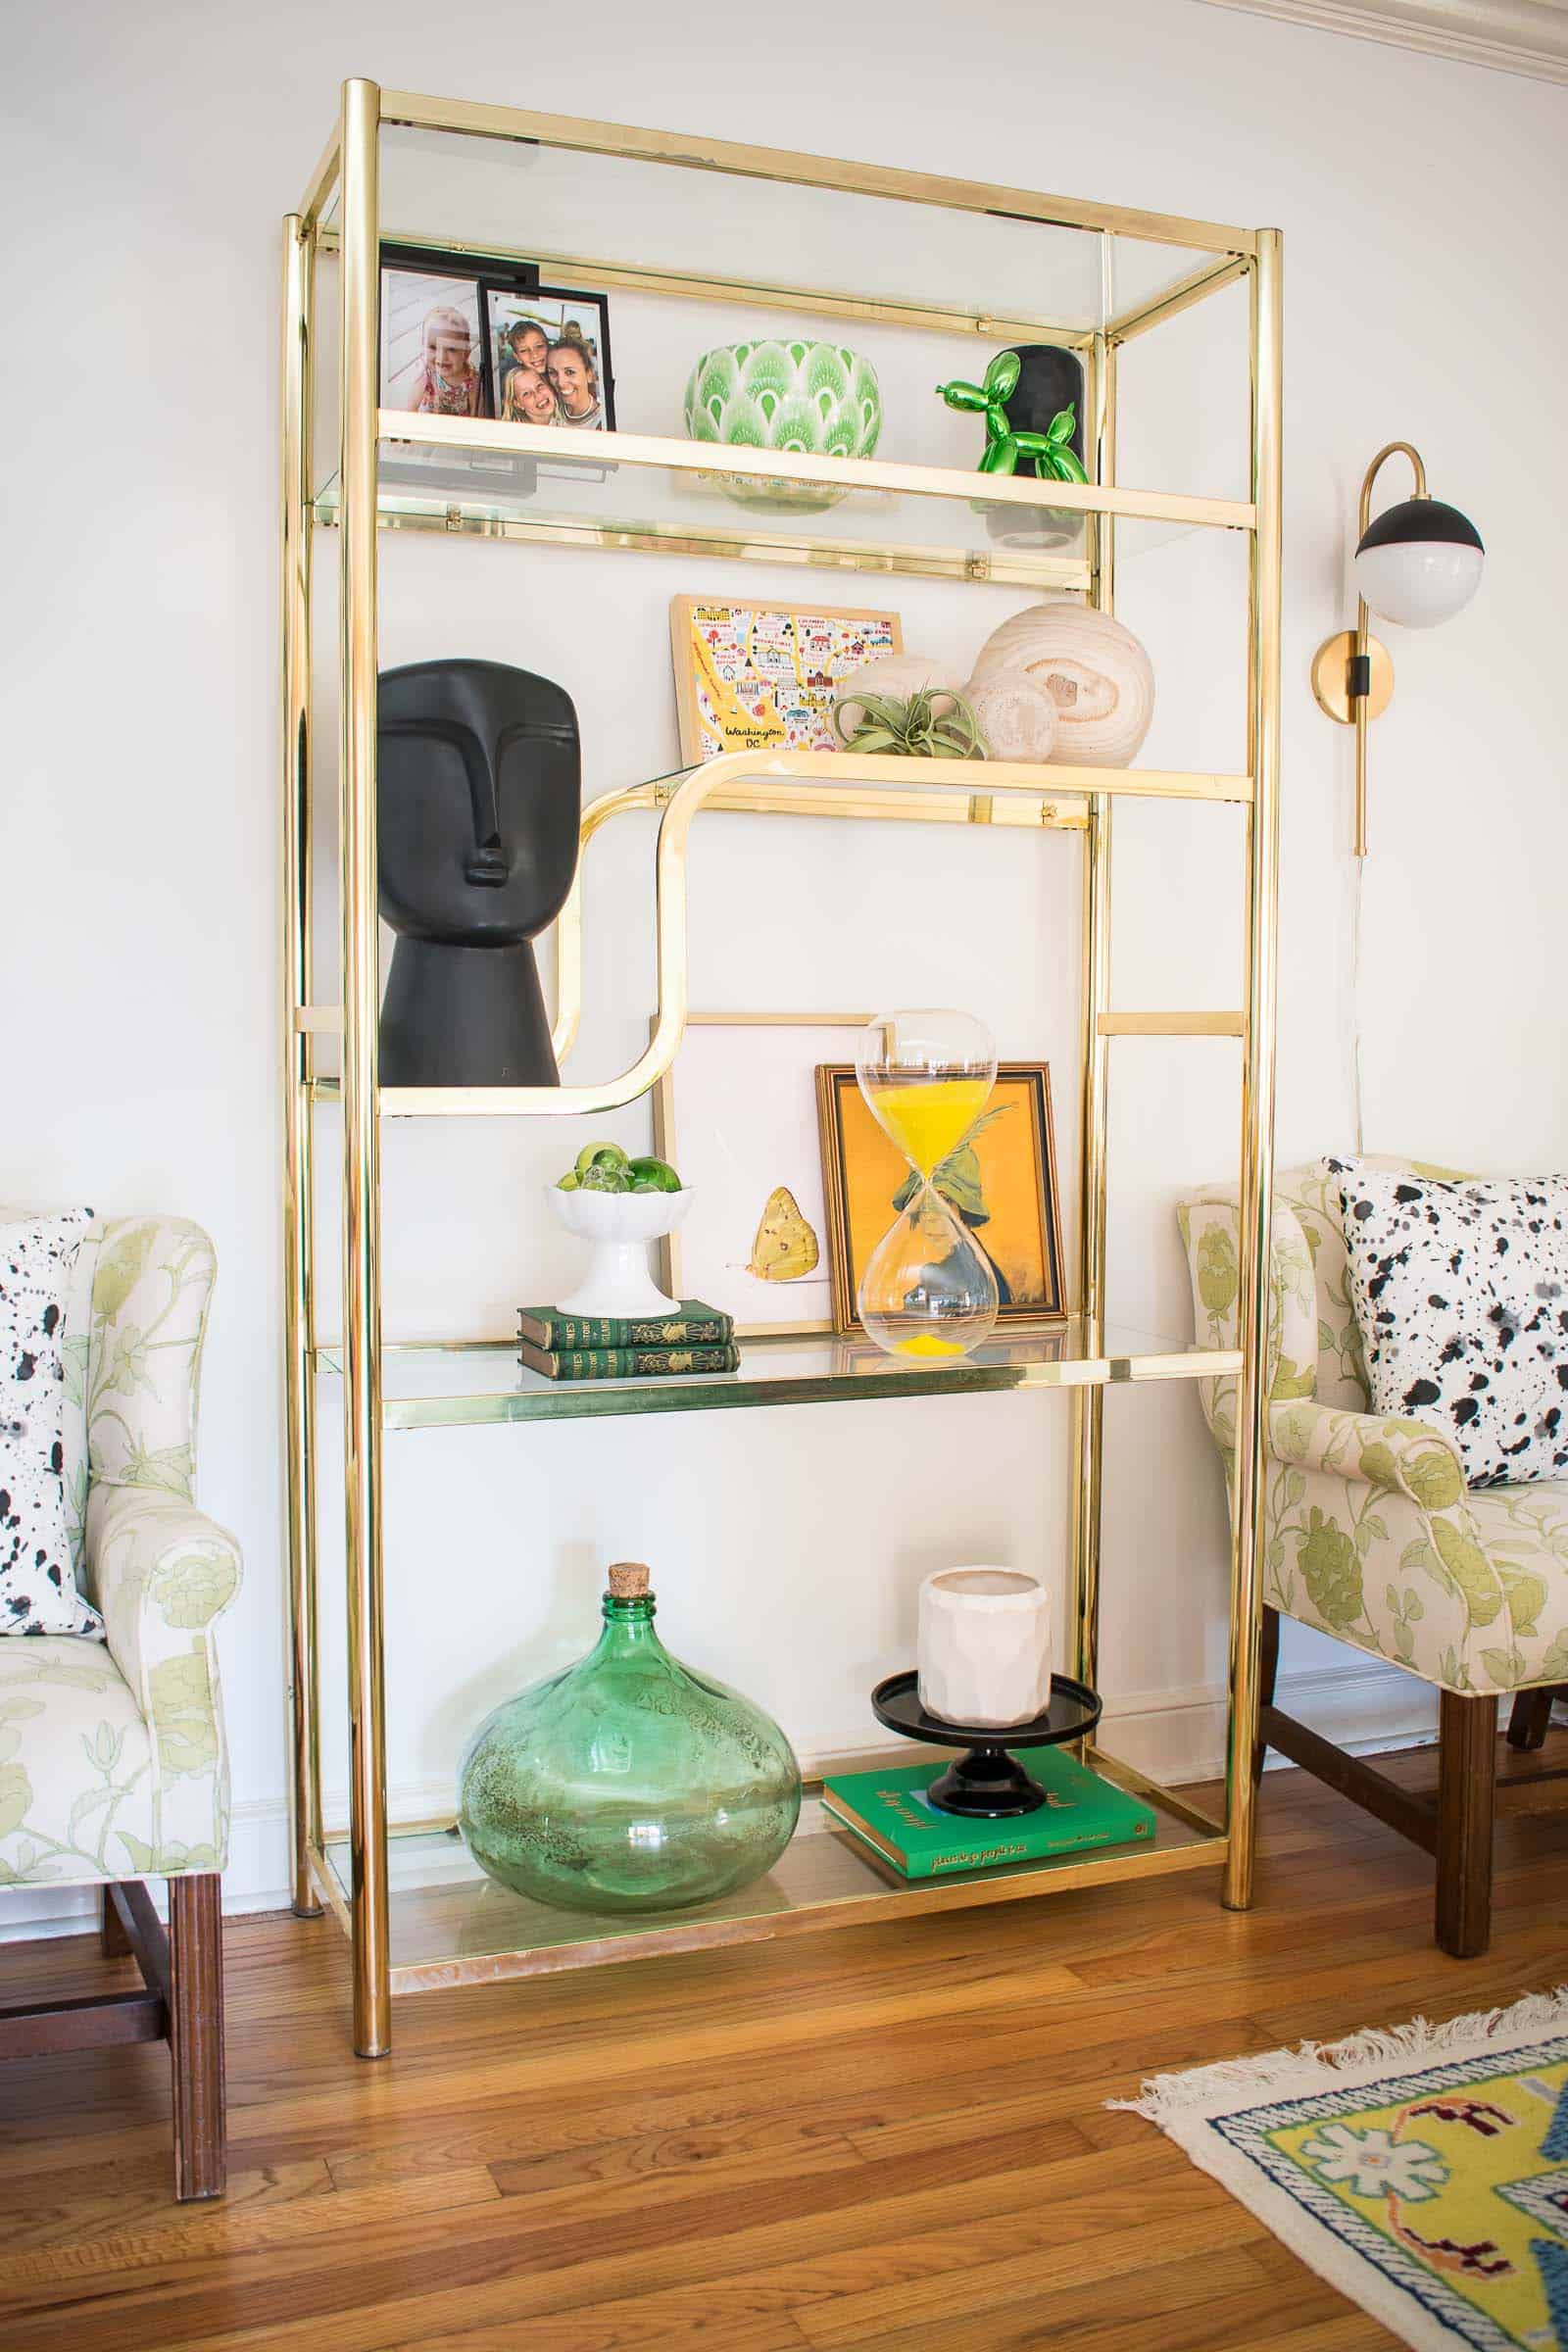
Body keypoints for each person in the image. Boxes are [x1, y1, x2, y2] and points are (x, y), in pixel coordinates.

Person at [408, 306, 481, 416]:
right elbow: (410, 410)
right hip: (429, 424)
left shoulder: (471, 380)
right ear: (423, 346)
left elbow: (478, 416)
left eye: (451, 349)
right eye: (433, 347)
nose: (441, 357)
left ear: (466, 354)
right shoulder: (425, 374)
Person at [545, 322, 604, 428]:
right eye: (553, 373)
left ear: (589, 375)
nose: (560, 383)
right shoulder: (550, 408)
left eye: (570, 372)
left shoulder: (601, 424)